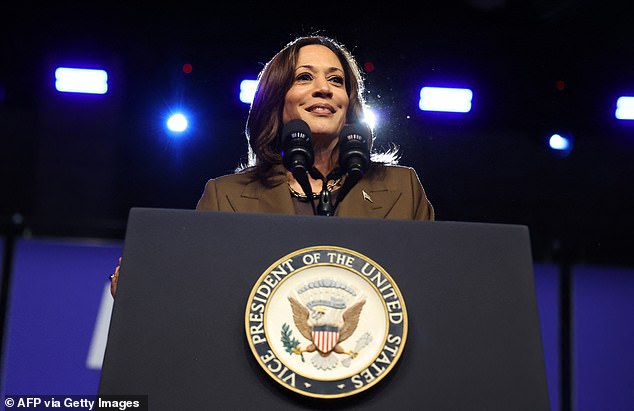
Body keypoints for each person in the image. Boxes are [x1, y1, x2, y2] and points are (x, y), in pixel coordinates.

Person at [110, 35, 434, 297]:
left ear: (349, 104)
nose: (324, 88)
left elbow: (431, 285)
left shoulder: (401, 188)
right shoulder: (227, 197)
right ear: (276, 101)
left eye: (336, 80)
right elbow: (198, 291)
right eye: (304, 77)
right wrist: (142, 286)